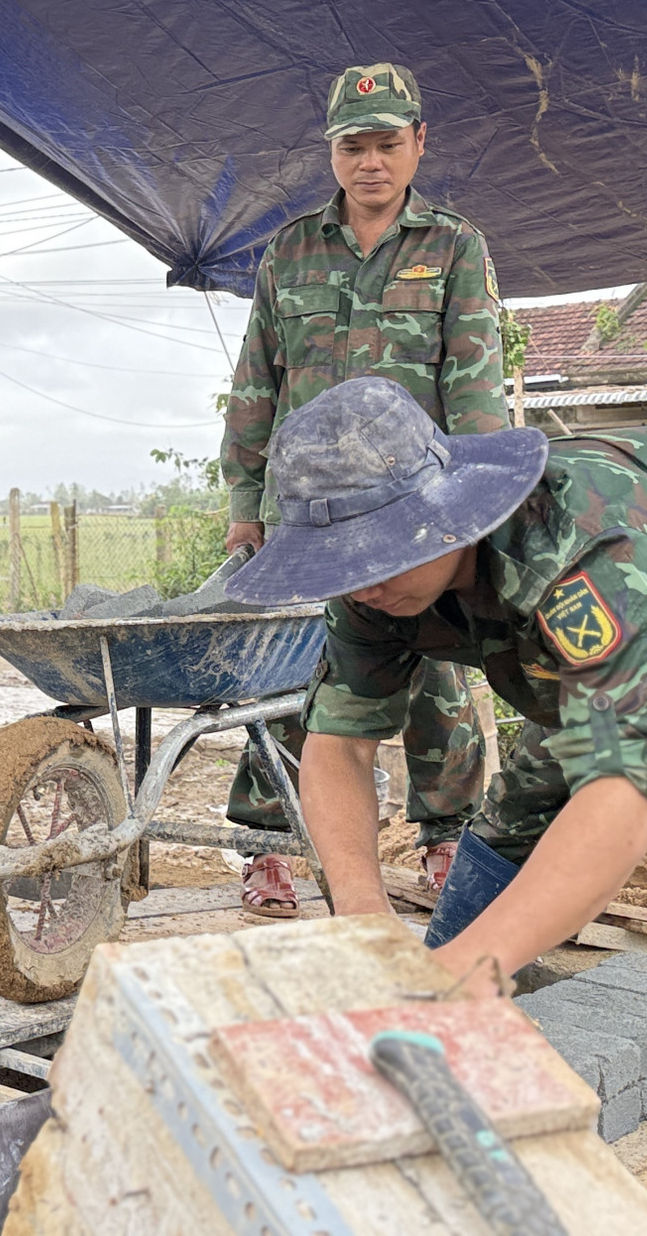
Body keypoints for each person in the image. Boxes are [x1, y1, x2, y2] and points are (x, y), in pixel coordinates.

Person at [227, 377, 647, 1160]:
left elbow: (630, 791)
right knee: (532, 792)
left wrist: (476, 965)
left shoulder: (589, 541)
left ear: (448, 509)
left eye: (382, 552)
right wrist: (368, 921)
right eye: (344, 563)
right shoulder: (371, 588)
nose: (364, 580)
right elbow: (338, 743)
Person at [220, 61, 506, 916]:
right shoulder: (291, 250)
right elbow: (254, 385)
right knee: (294, 671)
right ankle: (269, 843)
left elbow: (476, 387)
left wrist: (477, 510)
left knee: (437, 672)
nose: (371, 162)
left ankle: (448, 838)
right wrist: (244, 508)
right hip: (310, 517)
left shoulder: (453, 246)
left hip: (416, 509)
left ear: (418, 144)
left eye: (387, 143)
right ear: (332, 153)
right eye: (354, 146)